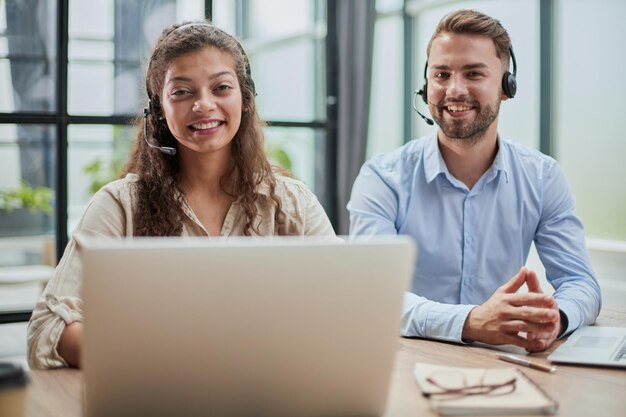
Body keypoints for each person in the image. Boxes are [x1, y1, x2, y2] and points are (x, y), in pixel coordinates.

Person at [28, 21, 335, 369]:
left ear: (245, 100)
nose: (204, 105)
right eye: (181, 92)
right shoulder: (120, 204)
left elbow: (344, 310)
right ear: (159, 108)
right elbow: (47, 328)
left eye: (221, 87)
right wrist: (160, 357)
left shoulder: (293, 203)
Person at [348, 9, 600, 352]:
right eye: (441, 74)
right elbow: (370, 292)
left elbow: (580, 282)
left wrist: (558, 319)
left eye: (473, 74)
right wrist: (472, 322)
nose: (454, 89)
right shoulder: (382, 178)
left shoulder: (542, 177)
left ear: (507, 86)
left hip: (502, 364)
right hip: (407, 359)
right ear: (426, 86)